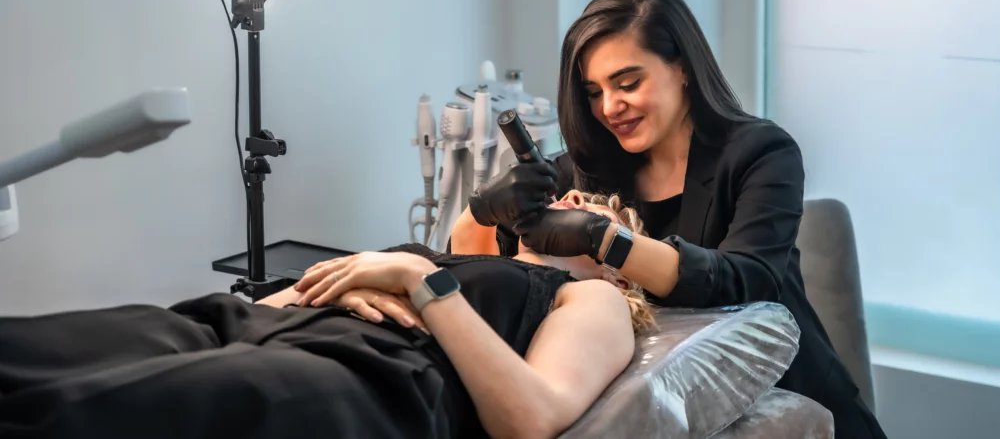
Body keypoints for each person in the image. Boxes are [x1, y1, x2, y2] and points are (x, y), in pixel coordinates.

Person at [449, 0, 888, 439]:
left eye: (627, 83)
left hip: (790, 403)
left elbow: (745, 281)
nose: (609, 108)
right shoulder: (583, 170)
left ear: (682, 67)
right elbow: (474, 272)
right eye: (593, 91)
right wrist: (481, 209)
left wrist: (602, 239)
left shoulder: (761, 153)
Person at [0, 193, 647, 439]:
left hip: (368, 374)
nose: (570, 201)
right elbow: (294, 293)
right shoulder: (449, 254)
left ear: (620, 265)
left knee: (100, 408)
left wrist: (419, 281)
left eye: (593, 209)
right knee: (58, 345)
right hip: (257, 319)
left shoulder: (597, 297)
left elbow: (528, 418)